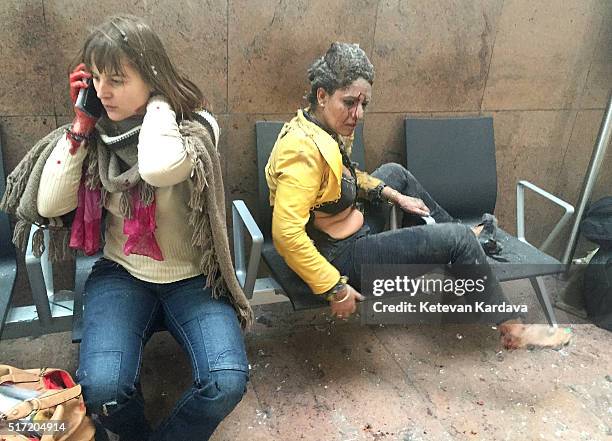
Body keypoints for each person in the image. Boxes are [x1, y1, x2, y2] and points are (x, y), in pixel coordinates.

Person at [3, 15, 252, 441]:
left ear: (153, 77)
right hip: (121, 274)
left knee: (226, 382)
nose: (101, 91)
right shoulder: (94, 137)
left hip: (194, 280)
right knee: (102, 390)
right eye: (95, 78)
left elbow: (157, 168)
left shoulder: (195, 129)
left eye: (116, 78)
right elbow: (49, 204)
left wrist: (159, 102)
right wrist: (82, 125)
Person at [265, 42, 572, 350]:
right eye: (349, 103)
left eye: (363, 105)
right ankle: (513, 327)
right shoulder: (302, 151)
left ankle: (462, 242)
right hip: (339, 259)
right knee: (457, 240)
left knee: (394, 173)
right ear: (322, 95)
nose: (357, 114)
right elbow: (286, 234)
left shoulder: (322, 126)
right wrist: (335, 288)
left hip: (347, 226)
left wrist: (394, 195)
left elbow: (343, 176)